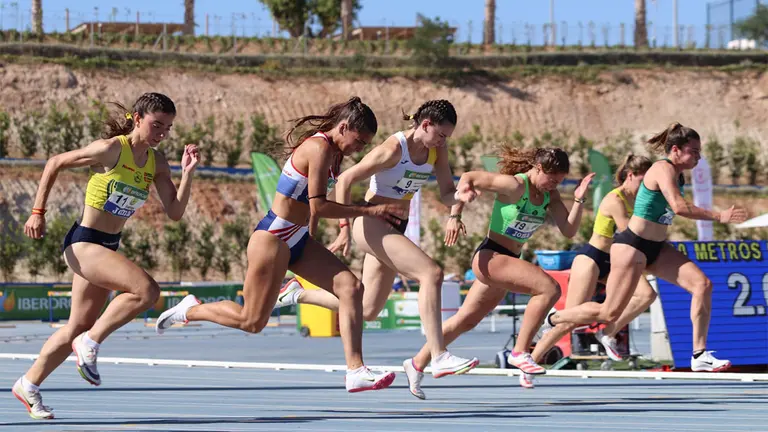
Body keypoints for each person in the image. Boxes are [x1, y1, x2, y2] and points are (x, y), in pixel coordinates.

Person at [156, 97, 401, 392]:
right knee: (252, 322)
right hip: (273, 238)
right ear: (344, 127)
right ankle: (191, 309)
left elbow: (310, 206)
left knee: (351, 287)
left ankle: (355, 371)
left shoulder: (335, 154)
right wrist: (366, 210)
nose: (359, 148)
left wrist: (312, 237)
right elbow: (319, 206)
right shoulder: (319, 147)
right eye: (359, 141)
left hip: (297, 239)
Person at [13, 93, 198, 420]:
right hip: (84, 243)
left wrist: (188, 173)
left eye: (168, 128)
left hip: (107, 246)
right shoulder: (111, 149)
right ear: (137, 118)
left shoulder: (157, 162)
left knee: (76, 326)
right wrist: (37, 212)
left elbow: (175, 212)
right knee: (147, 291)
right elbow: (55, 161)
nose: (162, 133)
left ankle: (29, 383)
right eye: (157, 125)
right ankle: (92, 342)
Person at [273, 100, 480, 379]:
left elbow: (446, 193)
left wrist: (459, 198)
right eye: (441, 135)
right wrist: (344, 229)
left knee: (369, 308)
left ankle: (297, 294)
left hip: (396, 227)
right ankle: (438, 354)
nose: (443, 141)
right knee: (431, 273)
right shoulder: (394, 149)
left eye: (447, 137)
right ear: (425, 124)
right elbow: (345, 180)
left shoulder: (436, 152)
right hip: (372, 223)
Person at [544, 123, 748, 373]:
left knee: (702, 285)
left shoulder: (677, 173)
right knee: (609, 312)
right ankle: (555, 317)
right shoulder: (663, 168)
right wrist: (719, 216)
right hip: (632, 247)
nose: (698, 156)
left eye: (699, 151)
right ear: (675, 150)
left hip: (656, 248)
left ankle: (699, 354)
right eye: (693, 151)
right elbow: (679, 207)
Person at [403, 146, 594, 399]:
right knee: (549, 289)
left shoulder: (551, 196)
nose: (554, 186)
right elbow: (469, 176)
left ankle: (416, 363)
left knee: (466, 320)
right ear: (538, 168)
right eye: (552, 180)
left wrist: (579, 199)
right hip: (491, 256)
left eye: (559, 182)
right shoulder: (515, 185)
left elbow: (569, 231)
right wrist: (454, 215)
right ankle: (520, 351)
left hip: (508, 262)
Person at [520, 154, 655, 389]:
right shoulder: (615, 199)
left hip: (615, 261)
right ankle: (531, 359)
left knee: (647, 295)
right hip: (592, 258)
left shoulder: (638, 201)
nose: (647, 186)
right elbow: (628, 234)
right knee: (569, 322)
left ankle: (608, 334)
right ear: (630, 175)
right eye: (643, 180)